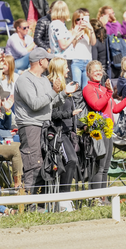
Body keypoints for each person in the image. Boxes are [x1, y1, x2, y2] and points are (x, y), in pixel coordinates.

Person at [14, 48, 76, 195]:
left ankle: (42, 203)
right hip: (30, 126)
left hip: (45, 126)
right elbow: (35, 104)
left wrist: (63, 94)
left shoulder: (43, 79)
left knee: (46, 163)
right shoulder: (24, 80)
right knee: (34, 164)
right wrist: (54, 91)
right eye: (47, 60)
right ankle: (32, 205)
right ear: (41, 61)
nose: (49, 62)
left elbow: (49, 103)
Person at [83, 60, 126, 194]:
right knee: (99, 167)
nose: (98, 72)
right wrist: (108, 92)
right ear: (88, 73)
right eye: (94, 70)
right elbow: (96, 105)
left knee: (106, 167)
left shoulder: (103, 88)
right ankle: (97, 197)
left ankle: (103, 197)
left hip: (108, 131)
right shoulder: (88, 88)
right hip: (97, 131)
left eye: (100, 70)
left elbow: (116, 108)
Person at [47, 58, 80, 211]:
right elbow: (51, 113)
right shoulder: (52, 87)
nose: (68, 70)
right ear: (59, 68)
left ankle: (64, 198)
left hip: (68, 132)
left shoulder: (67, 86)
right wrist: (69, 114)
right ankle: (63, 199)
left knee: (73, 161)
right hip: (56, 132)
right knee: (71, 160)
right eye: (66, 67)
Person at [70, 8, 96, 89]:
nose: (80, 21)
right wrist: (76, 37)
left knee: (86, 88)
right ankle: (76, 102)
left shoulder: (88, 30)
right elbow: (71, 46)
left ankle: (84, 102)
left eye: (82, 19)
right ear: (74, 21)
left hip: (88, 61)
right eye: (78, 19)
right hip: (76, 61)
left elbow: (93, 43)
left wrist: (91, 29)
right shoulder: (71, 31)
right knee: (76, 86)